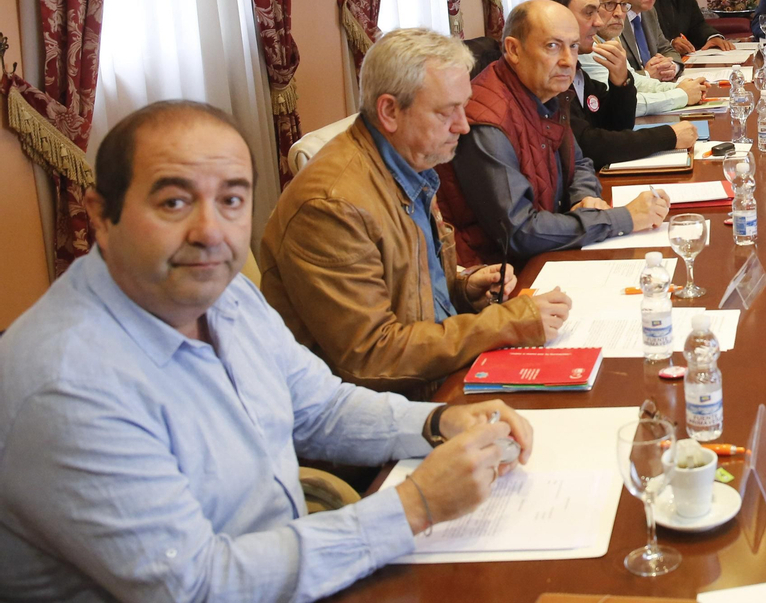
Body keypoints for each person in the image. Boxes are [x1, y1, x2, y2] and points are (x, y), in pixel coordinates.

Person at [0, 101, 534, 600]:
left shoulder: (222, 291)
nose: (209, 231)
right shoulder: (68, 386)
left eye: (231, 199)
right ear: (100, 215)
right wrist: (413, 506)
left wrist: (438, 423)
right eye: (173, 201)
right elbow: (197, 585)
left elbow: (319, 408)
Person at [259, 28, 570, 397]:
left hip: (437, 375)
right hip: (387, 409)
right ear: (390, 111)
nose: (464, 125)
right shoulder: (332, 207)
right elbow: (373, 357)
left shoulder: (411, 160)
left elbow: (404, 287)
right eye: (446, 112)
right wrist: (507, 323)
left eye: (463, 106)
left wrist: (464, 288)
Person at [438, 0, 673, 263]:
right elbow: (520, 232)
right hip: (502, 275)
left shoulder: (547, 90)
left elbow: (579, 161)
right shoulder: (487, 121)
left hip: (549, 250)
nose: (567, 60)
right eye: (552, 46)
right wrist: (624, 218)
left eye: (573, 47)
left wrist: (583, 197)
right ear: (513, 50)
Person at [532, 0, 695, 169]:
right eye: (589, 12)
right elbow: (587, 144)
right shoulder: (546, 73)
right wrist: (668, 136)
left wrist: (621, 84)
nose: (599, 22)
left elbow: (615, 125)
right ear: (555, 15)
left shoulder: (576, 69)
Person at [591, 0, 711, 115]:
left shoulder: (611, 39)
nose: (618, 13)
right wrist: (682, 95)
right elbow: (625, 105)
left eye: (623, 4)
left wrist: (679, 87)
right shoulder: (587, 48)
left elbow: (635, 81)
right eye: (609, 4)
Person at [615, 0, 685, 81]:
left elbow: (667, 49)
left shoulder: (649, 12)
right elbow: (609, 77)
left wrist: (671, 67)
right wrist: (647, 75)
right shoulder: (610, 17)